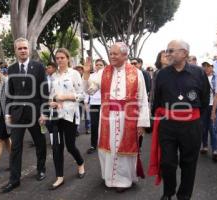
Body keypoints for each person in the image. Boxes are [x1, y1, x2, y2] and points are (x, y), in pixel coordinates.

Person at [83, 43, 150, 192]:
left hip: (128, 116)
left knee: (125, 150)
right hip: (107, 117)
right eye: (110, 53)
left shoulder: (136, 73)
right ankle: (109, 178)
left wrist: (142, 123)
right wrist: (86, 75)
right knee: (108, 148)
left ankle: (124, 180)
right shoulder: (104, 72)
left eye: (115, 54)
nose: (112, 56)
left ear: (125, 55)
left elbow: (142, 99)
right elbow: (89, 90)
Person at [149, 40, 210, 200]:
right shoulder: (161, 74)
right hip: (168, 124)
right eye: (167, 50)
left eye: (171, 50)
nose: (167, 53)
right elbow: (157, 100)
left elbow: (204, 100)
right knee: (167, 162)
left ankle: (184, 196)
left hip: (191, 125)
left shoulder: (199, 73)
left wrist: (192, 117)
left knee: (188, 163)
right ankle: (168, 192)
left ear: (184, 53)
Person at [1, 37, 48, 193]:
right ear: (15, 51)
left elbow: (44, 92)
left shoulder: (39, 67)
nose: (22, 50)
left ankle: (41, 169)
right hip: (17, 115)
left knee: (40, 143)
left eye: (25, 48)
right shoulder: (12, 68)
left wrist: (44, 112)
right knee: (15, 147)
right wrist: (8, 112)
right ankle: (14, 180)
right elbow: (10, 93)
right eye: (19, 48)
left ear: (29, 50)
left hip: (35, 114)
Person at [48, 48, 85, 190]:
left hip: (70, 115)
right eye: (57, 58)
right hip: (56, 115)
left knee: (70, 146)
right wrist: (51, 101)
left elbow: (81, 95)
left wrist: (66, 97)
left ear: (68, 58)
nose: (59, 60)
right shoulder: (53, 76)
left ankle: (80, 163)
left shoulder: (74, 74)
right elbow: (51, 95)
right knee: (57, 147)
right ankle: (59, 177)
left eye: (62, 57)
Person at [200, 60, 217, 162]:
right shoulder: (200, 78)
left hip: (214, 106)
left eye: (208, 66)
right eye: (204, 66)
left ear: (212, 67)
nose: (206, 68)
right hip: (204, 107)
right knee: (203, 128)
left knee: (213, 129)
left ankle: (215, 150)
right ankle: (205, 146)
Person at [87, 58, 106, 154]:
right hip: (94, 104)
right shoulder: (91, 76)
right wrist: (86, 102)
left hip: (105, 105)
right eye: (97, 65)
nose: (98, 66)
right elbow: (87, 90)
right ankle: (93, 145)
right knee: (94, 125)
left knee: (104, 126)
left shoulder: (107, 76)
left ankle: (105, 144)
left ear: (104, 66)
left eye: (100, 65)